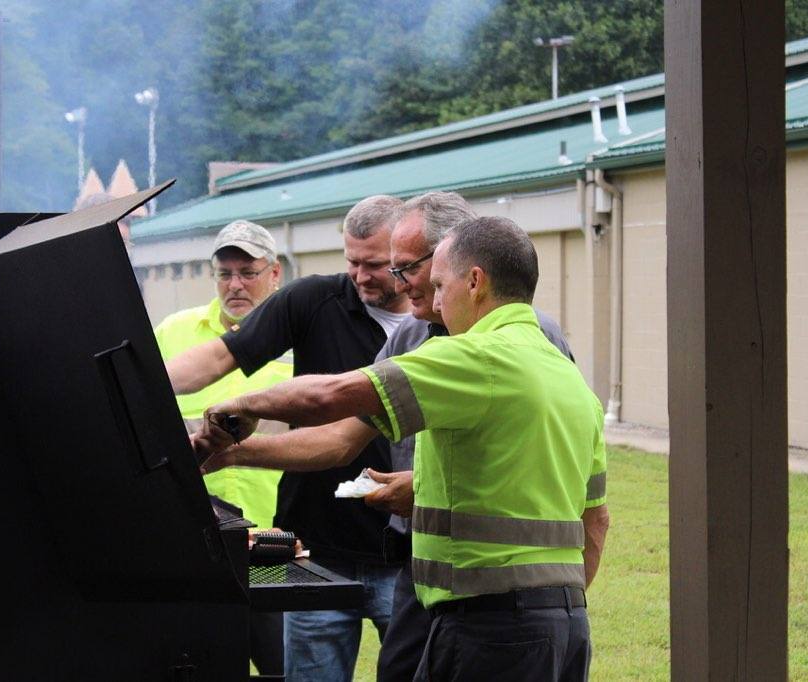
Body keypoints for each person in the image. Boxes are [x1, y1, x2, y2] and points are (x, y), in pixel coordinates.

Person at [197, 191, 593, 680]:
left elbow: (334, 395)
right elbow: (342, 438)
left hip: (488, 609)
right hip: (468, 589)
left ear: (468, 271)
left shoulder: (476, 353)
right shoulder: (544, 368)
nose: (404, 287)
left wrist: (245, 403)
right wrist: (233, 454)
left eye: (410, 270)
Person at [165, 195, 410, 682]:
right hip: (314, 547)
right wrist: (136, 386)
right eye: (352, 262)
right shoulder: (314, 299)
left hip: (403, 553)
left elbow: (338, 435)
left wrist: (238, 438)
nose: (361, 276)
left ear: (406, 256)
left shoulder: (432, 328)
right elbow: (218, 357)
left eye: (376, 265)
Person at [153, 219, 291, 676]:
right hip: (194, 542)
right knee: (195, 664)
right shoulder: (173, 334)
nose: (235, 284)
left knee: (279, 664)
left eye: (248, 272)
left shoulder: (297, 342)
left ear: (275, 275)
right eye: (224, 272)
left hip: (271, 540)